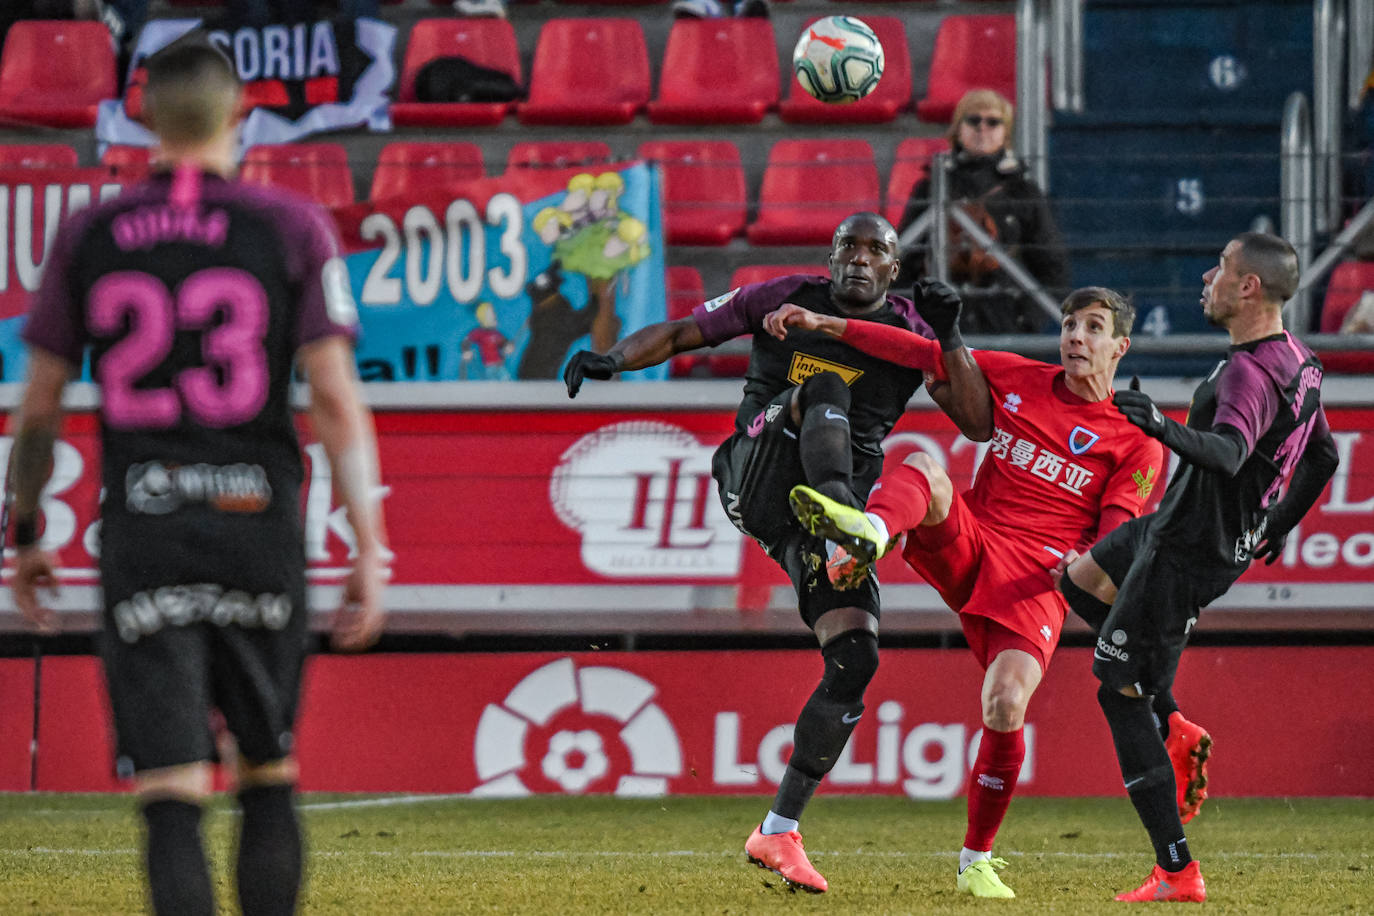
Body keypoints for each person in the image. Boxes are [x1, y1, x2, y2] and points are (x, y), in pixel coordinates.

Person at [6, 37, 388, 916]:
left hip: (145, 527)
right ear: (242, 114)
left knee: (172, 789)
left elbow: (39, 410)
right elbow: (333, 396)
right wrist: (371, 546)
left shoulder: (89, 232)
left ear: (141, 116)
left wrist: (25, 532)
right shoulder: (291, 225)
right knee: (267, 773)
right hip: (258, 522)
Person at [564, 211, 992, 894]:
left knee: (856, 656)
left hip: (816, 522)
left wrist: (951, 333)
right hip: (756, 473)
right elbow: (681, 331)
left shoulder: (912, 331)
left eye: (874, 249)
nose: (857, 257)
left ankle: (778, 830)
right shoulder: (783, 297)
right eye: (846, 245)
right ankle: (839, 519)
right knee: (824, 388)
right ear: (830, 255)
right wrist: (615, 359)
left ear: (892, 267)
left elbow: (977, 422)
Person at [767, 286, 1181, 899]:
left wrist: (1087, 561)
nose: (1075, 337)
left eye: (1093, 328)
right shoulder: (1021, 377)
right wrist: (828, 325)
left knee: (1005, 704)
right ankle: (870, 534)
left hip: (1034, 583)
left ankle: (976, 859)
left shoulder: (1136, 439)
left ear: (1119, 347)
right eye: (1069, 324)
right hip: (975, 542)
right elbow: (922, 351)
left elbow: (1116, 540)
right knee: (927, 473)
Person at [1058, 232, 1339, 903]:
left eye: (1221, 269)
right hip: (1189, 527)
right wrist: (1277, 525)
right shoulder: (1301, 361)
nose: (1207, 277)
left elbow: (1228, 453)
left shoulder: (1248, 372)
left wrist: (1159, 424)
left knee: (1115, 687)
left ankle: (1177, 870)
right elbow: (1322, 455)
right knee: (1082, 580)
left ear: (1248, 288)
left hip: (1189, 549)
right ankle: (1174, 718)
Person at [896, 88, 1071, 334]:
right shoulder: (930, 187)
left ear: (1005, 132)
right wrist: (914, 317)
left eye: (993, 121)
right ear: (958, 128)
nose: (982, 127)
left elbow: (1053, 267)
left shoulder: (1023, 191)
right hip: (938, 327)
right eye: (973, 120)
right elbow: (901, 262)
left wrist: (1025, 320)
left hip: (1005, 324)